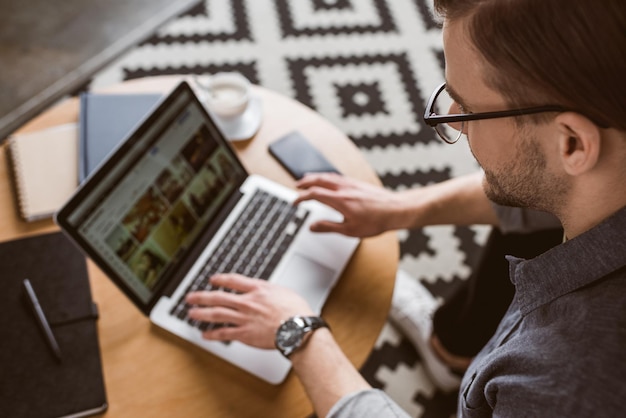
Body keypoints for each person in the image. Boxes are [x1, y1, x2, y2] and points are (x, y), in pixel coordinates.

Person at [185, 0, 626, 416]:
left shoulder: (558, 384)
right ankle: (451, 354)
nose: (453, 120)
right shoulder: (599, 175)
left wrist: (300, 334)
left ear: (571, 142)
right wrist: (400, 209)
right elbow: (547, 180)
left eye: (469, 109)